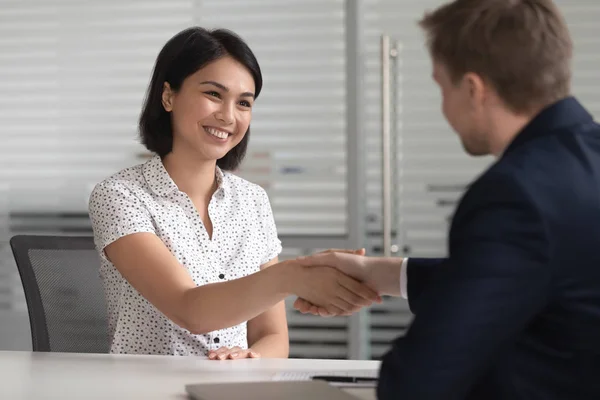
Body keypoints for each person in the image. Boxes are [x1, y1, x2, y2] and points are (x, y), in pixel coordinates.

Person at [295, 0, 600, 398]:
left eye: (441, 86)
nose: (443, 107)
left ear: (473, 90)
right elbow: (529, 273)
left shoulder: (515, 194)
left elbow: (417, 380)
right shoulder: (584, 162)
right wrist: (378, 273)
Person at [88, 27, 380, 361]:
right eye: (213, 94)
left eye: (243, 103)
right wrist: (295, 276)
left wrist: (251, 360)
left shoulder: (253, 201)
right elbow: (190, 309)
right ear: (168, 96)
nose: (228, 116)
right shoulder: (120, 196)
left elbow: (272, 336)